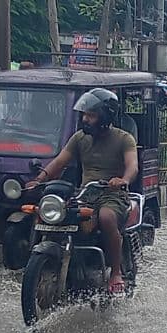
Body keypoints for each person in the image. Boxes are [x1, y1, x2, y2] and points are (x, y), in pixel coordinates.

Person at [28, 89, 138, 295]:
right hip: (85, 195)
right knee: (50, 215)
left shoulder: (124, 139)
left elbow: (133, 165)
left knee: (106, 217)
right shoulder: (79, 138)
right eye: (84, 115)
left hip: (113, 195)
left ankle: (115, 272)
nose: (85, 119)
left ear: (105, 116)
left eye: (91, 115)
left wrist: (123, 180)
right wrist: (39, 179)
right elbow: (60, 161)